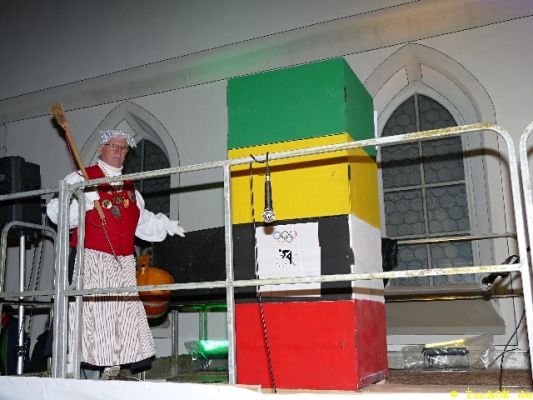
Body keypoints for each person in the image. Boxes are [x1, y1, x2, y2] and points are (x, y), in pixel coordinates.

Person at [46, 129, 184, 378]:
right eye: (113, 146)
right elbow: (56, 212)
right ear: (101, 148)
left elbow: (141, 221)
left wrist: (165, 226)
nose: (119, 152)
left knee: (121, 314)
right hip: (91, 259)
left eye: (123, 148)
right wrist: (82, 201)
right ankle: (71, 367)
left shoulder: (130, 188)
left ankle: (113, 365)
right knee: (88, 314)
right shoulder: (81, 177)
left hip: (123, 263)